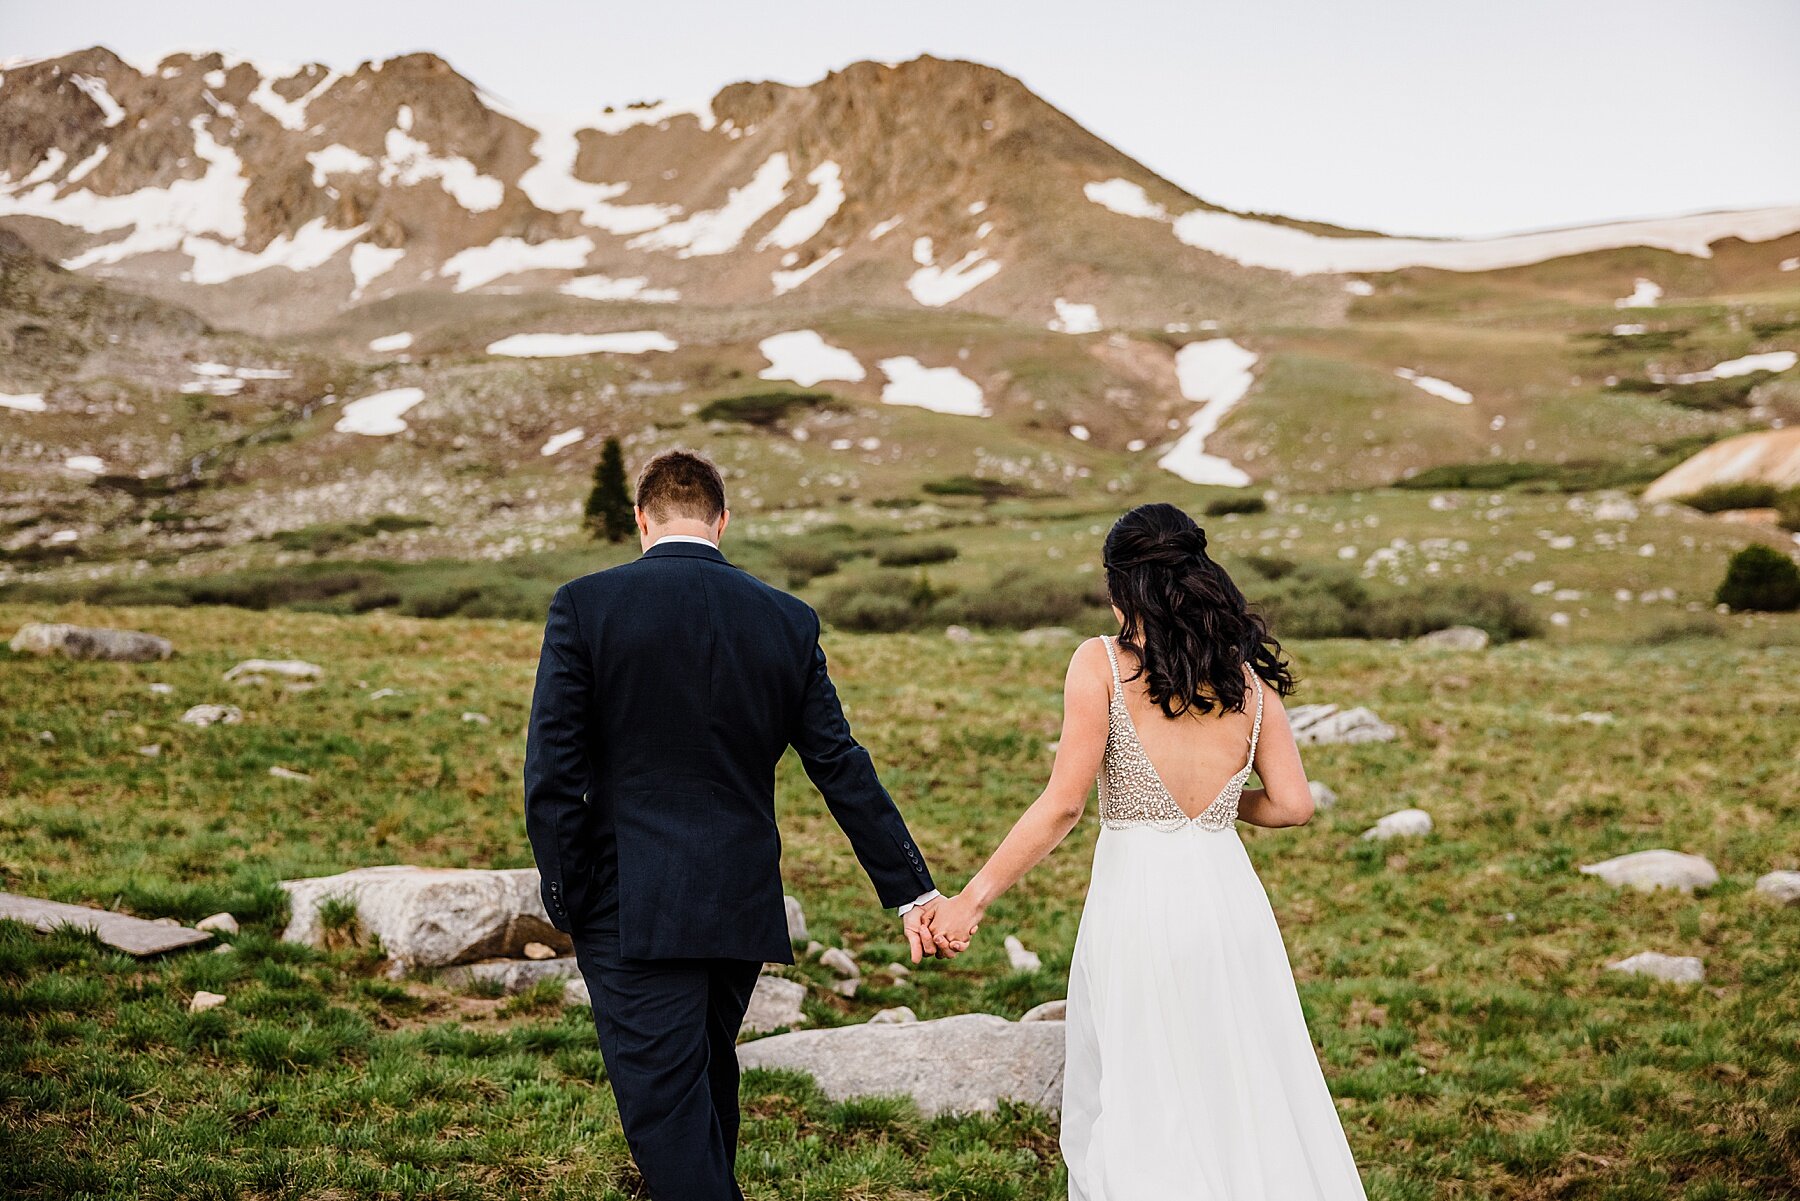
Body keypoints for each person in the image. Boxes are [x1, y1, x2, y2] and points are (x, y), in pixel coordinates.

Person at [524, 449, 950, 1201]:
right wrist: (910, 889)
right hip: (739, 902)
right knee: (702, 1093)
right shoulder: (785, 618)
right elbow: (839, 765)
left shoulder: (586, 604)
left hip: (629, 905)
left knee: (669, 1119)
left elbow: (553, 771)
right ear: (722, 520)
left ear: (641, 519)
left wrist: (569, 896)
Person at [922, 502, 1368, 1200]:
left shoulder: (1098, 663)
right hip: (1228, 900)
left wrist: (971, 898)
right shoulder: (1246, 681)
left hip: (1140, 903)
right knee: (1241, 1084)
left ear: (1120, 584)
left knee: (1141, 1088)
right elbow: (1293, 804)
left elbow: (1064, 802)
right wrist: (1221, 801)